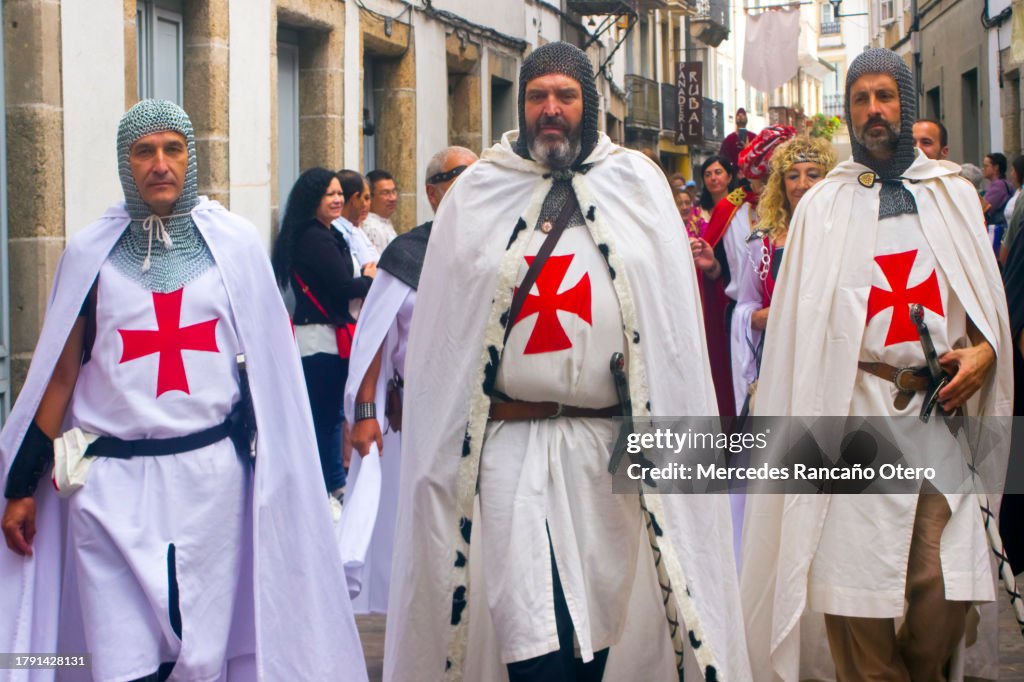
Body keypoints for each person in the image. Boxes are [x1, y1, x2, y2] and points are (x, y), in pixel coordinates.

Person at [383, 41, 749, 682]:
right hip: (509, 443)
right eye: (537, 96)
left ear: (589, 105)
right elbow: (447, 338)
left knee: (597, 627)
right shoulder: (478, 194)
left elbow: (671, 335)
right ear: (522, 106)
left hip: (605, 443)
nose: (550, 109)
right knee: (530, 629)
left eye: (566, 96)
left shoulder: (637, 185)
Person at [0, 100, 367, 680]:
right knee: (119, 661)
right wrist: (21, 483)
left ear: (190, 159)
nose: (159, 164)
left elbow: (270, 373)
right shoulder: (89, 255)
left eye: (173, 149)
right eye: (144, 151)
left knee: (200, 659)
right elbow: (62, 374)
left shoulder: (234, 247)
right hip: (109, 487)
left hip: (210, 484)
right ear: (127, 163)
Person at [741, 48, 1011, 681]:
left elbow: (985, 312)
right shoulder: (823, 207)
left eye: (884, 96)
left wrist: (986, 354)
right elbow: (800, 333)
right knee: (852, 581)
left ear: (907, 104)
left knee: (945, 579)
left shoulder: (950, 197)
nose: (873, 110)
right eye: (860, 98)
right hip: (856, 412)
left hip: (939, 416)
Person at [342, 145, 478, 615]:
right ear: (433, 192)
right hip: (419, 416)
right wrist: (366, 413)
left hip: (488, 416)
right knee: (426, 531)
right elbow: (376, 339)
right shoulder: (408, 253)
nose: (473, 184)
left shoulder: (505, 248)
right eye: (461, 175)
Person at [271, 168, 373, 501]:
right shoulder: (315, 237)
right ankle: (331, 485)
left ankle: (329, 483)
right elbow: (343, 287)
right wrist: (373, 277)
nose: (338, 199)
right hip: (319, 342)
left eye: (339, 193)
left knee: (327, 416)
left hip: (323, 339)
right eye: (329, 194)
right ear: (312, 198)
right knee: (326, 416)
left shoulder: (324, 233)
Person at [731, 135, 835, 420]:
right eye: (793, 176)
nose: (802, 184)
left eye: (813, 175)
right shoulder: (760, 242)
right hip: (778, 364)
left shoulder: (844, 236)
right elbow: (744, 305)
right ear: (781, 184)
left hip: (828, 363)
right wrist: (758, 317)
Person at [690, 154, 741, 418]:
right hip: (719, 294)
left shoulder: (743, 208)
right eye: (708, 174)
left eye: (718, 172)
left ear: (730, 176)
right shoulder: (701, 213)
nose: (713, 178)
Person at [335, 168, 380, 269]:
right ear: (354, 198)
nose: (366, 204)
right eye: (365, 198)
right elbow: (367, 267)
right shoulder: (340, 231)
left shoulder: (354, 229)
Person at [362, 169, 399, 253]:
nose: (392, 198)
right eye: (385, 193)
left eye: (393, 191)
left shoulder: (383, 221)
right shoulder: (371, 227)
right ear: (370, 196)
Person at [983, 152, 1012, 251]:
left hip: (996, 232)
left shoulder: (998, 186)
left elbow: (985, 207)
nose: (983, 169)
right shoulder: (1004, 184)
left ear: (996, 168)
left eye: (986, 166)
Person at [1001, 155, 1024, 265]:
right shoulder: (1018, 193)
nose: (1011, 174)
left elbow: (1013, 229)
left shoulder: (1021, 196)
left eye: (1013, 171)